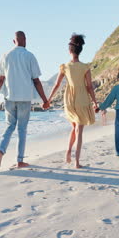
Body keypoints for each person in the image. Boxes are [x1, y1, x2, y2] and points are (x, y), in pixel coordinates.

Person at [0, 31, 49, 170]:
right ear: (25, 40)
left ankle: (0, 150)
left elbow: (0, 79)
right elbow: (36, 81)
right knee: (22, 129)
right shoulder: (30, 56)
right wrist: (45, 100)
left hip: (10, 98)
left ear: (14, 41)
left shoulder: (6, 56)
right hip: (25, 98)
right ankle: (19, 160)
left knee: (9, 126)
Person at [48, 34, 98, 169]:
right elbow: (89, 87)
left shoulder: (64, 67)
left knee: (74, 127)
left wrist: (49, 100)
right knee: (79, 130)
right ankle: (76, 162)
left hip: (69, 99)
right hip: (81, 98)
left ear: (69, 50)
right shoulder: (85, 67)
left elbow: (56, 85)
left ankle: (69, 151)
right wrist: (95, 102)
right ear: (80, 50)